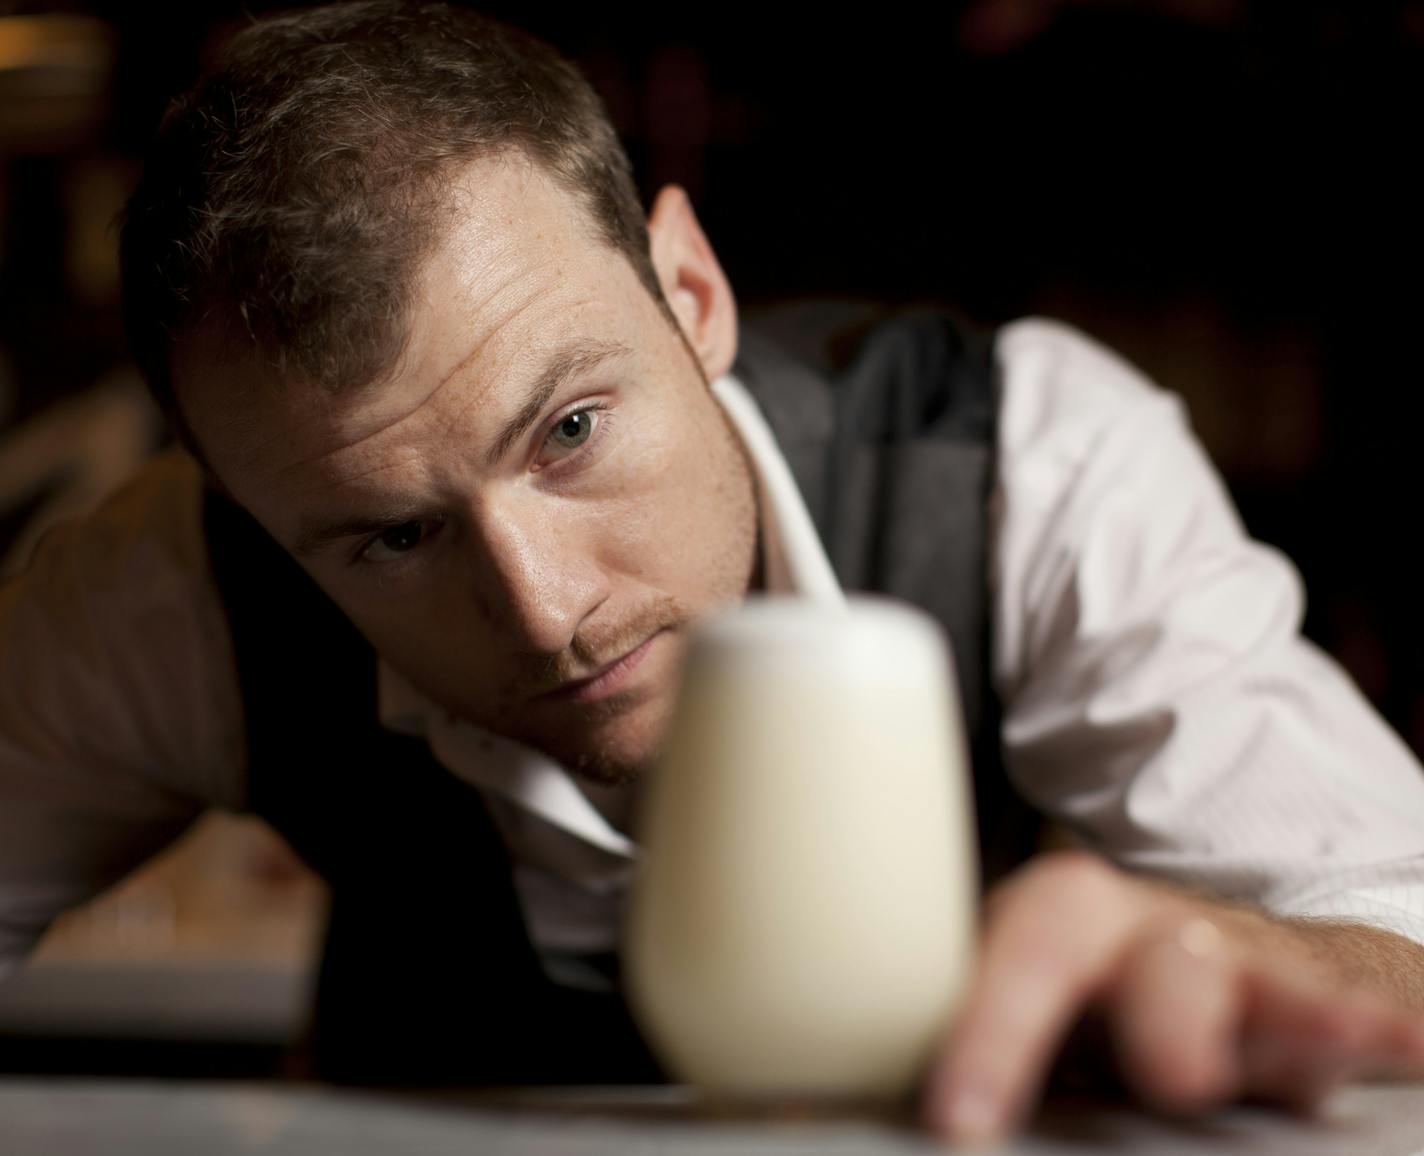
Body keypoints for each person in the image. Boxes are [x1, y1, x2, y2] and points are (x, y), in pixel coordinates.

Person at [4, 0, 1424, 1144]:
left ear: (691, 293)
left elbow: (1400, 918)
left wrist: (1292, 972)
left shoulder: (1026, 468)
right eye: (394, 536)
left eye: (569, 430)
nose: (549, 612)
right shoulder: (168, 585)